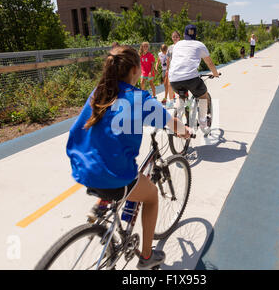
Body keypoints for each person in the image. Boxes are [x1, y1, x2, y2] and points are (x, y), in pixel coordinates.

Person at [66, 46, 191, 270]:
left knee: (114, 160)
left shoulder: (99, 92)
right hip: (112, 175)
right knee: (150, 194)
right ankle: (146, 257)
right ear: (136, 70)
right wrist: (184, 131)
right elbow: (170, 122)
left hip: (82, 167)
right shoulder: (138, 98)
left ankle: (102, 204)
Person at [168, 25, 220, 132]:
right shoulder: (200, 45)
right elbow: (209, 62)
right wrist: (215, 73)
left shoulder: (177, 45)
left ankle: (176, 117)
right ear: (196, 35)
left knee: (181, 97)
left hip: (174, 78)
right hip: (191, 78)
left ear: (183, 35)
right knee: (203, 95)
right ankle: (202, 121)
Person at [165, 31, 181, 108]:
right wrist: (167, 69)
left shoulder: (182, 46)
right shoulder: (170, 47)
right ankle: (171, 102)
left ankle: (182, 101)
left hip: (180, 69)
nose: (175, 38)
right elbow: (168, 59)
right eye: (173, 36)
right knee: (169, 85)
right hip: (172, 69)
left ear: (179, 38)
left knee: (181, 86)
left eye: (176, 36)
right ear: (171, 38)